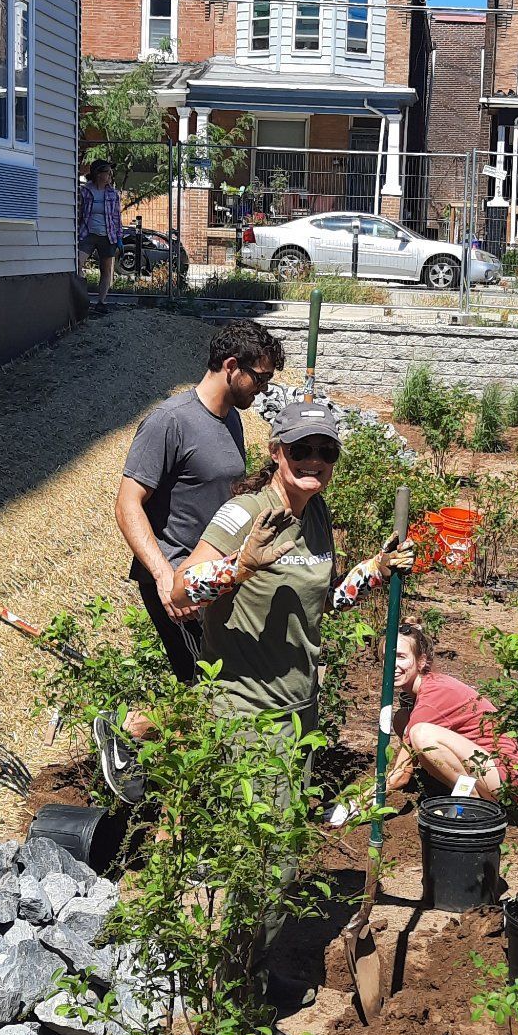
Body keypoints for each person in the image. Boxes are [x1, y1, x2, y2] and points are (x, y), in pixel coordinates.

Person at [176, 396, 414, 733]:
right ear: (276, 452)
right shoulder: (247, 511)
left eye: (326, 452)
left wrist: (376, 569)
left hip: (300, 706)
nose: (314, 460)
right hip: (247, 713)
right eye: (300, 449)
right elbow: (179, 590)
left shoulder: (317, 511)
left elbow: (327, 598)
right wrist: (238, 567)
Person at [114, 320, 287, 684]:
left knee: (221, 684)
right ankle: (124, 729)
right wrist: (165, 578)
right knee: (202, 686)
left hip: (214, 576)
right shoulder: (170, 421)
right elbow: (127, 505)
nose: (264, 389)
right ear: (230, 366)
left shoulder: (232, 420)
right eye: (260, 378)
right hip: (180, 583)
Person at [385, 622, 518, 803]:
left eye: (401, 656)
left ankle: (470, 801)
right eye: (387, 657)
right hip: (485, 766)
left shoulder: (433, 696)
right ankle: (455, 786)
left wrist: (351, 807)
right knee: (403, 718)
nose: (392, 664)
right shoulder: (429, 685)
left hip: (504, 778)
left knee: (420, 734)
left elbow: (400, 777)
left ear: (422, 661)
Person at [79, 159, 123, 312]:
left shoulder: (113, 194)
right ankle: (81, 297)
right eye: (107, 172)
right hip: (88, 234)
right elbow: (79, 212)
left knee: (106, 270)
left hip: (108, 236)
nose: (110, 175)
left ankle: (101, 302)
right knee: (77, 264)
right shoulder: (85, 191)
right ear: (98, 174)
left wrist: (119, 238)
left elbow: (117, 217)